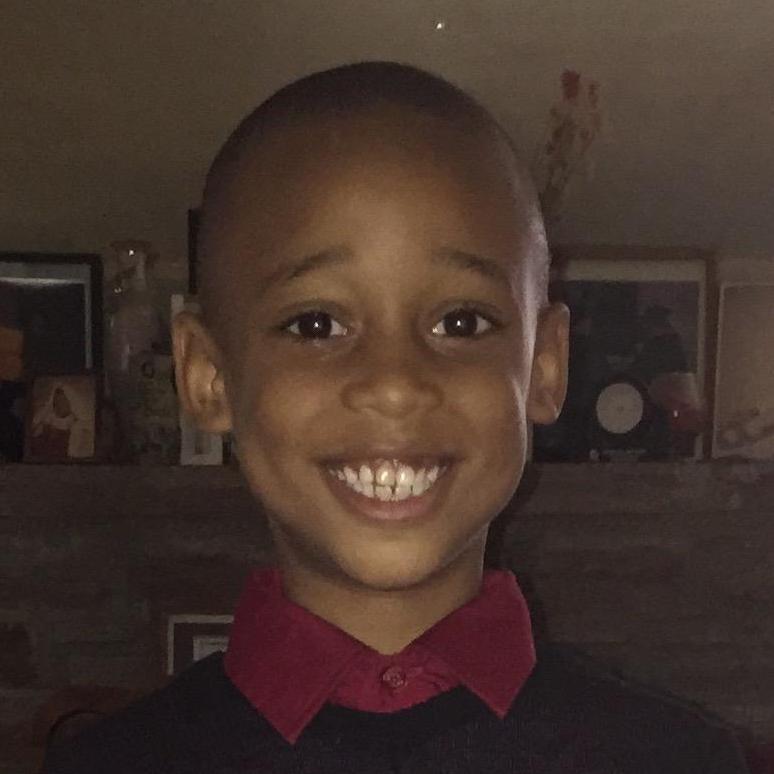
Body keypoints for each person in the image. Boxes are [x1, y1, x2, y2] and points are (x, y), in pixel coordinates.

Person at [41, 62, 749, 773]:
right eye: (315, 324)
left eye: (461, 322)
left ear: (544, 368)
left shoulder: (684, 761)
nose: (394, 385)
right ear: (208, 377)